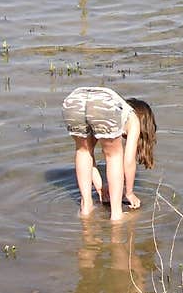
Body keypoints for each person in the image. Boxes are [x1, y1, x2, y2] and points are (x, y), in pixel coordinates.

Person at [61, 86, 157, 220]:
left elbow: (90, 157)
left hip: (73, 100)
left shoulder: (120, 106)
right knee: (114, 156)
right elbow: (128, 161)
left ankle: (86, 206)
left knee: (83, 151)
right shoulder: (133, 117)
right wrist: (129, 192)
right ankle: (116, 215)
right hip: (103, 104)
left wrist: (100, 188)